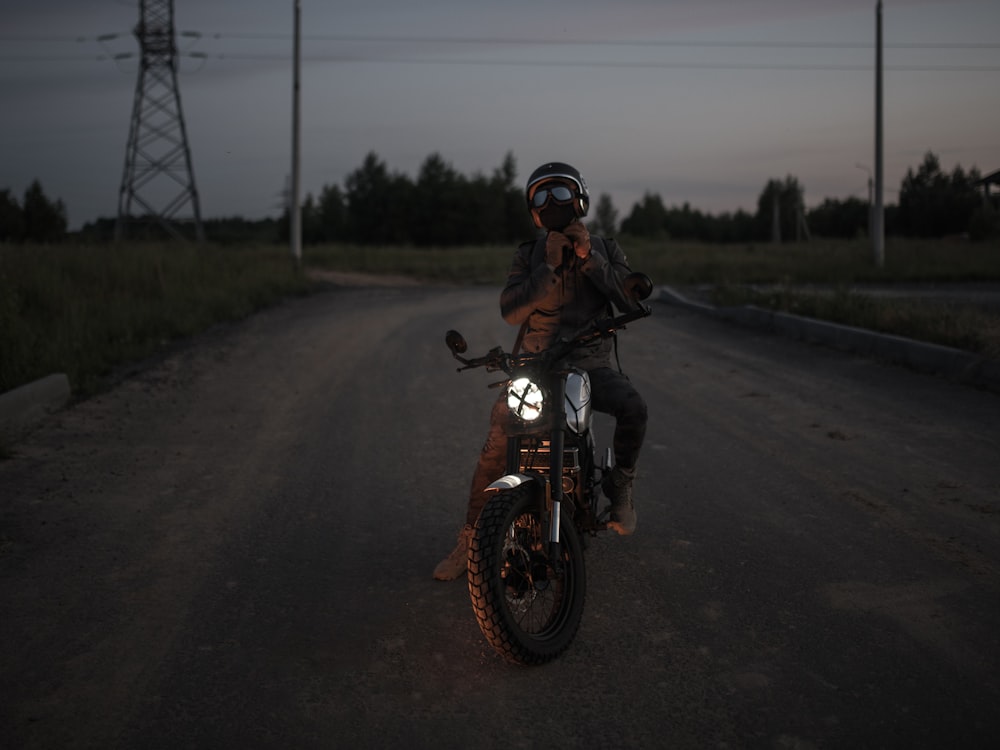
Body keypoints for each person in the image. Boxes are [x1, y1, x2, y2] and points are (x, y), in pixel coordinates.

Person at [433, 161, 648, 581]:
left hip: (589, 367)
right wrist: (547, 268)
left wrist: (588, 259)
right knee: (495, 448)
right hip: (534, 368)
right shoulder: (528, 254)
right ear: (533, 210)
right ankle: (472, 540)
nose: (552, 204)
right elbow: (512, 312)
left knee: (634, 408)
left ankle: (620, 485)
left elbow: (629, 301)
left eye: (561, 194)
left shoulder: (606, 248)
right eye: (542, 197)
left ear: (580, 200)